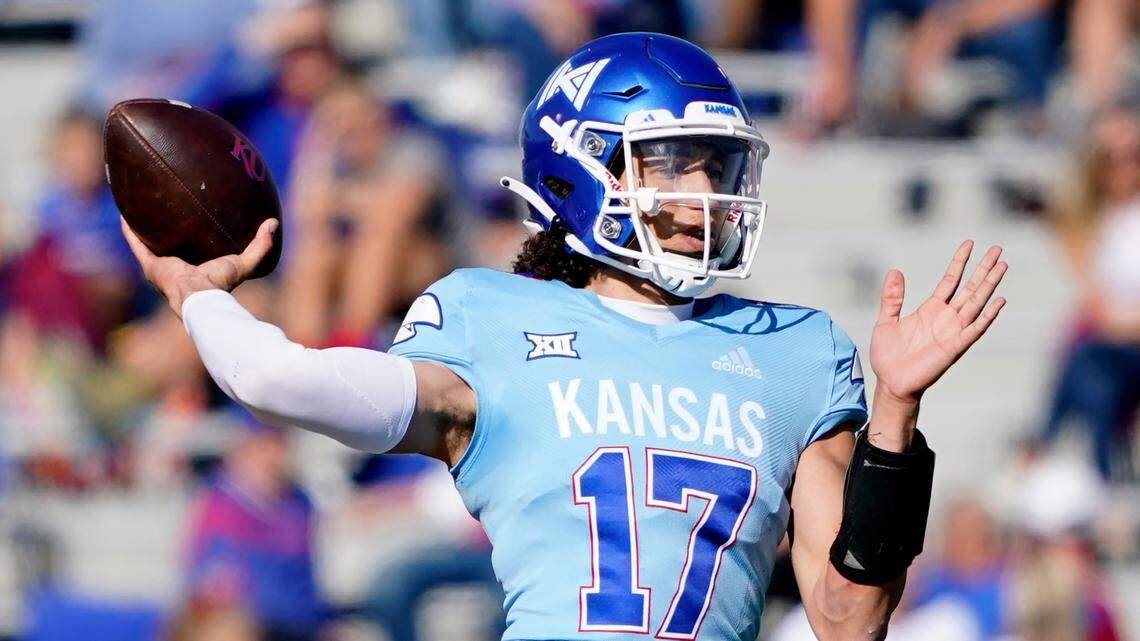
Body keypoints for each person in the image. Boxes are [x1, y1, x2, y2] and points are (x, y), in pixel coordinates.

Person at [121, 33, 1007, 641]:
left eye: (718, 165)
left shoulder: (792, 350)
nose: (707, 191)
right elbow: (285, 381)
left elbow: (850, 621)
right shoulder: (492, 319)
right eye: (674, 163)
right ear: (583, 165)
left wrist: (896, 409)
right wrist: (197, 297)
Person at [1041, 109, 1140, 481]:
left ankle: (1047, 444)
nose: (1126, 167)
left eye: (1135, 154)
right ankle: (1100, 474)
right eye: (1112, 158)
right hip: (1113, 348)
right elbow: (1096, 306)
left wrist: (1118, 320)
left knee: (1085, 359)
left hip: (1116, 345)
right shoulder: (1087, 223)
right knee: (1092, 369)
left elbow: (1101, 312)